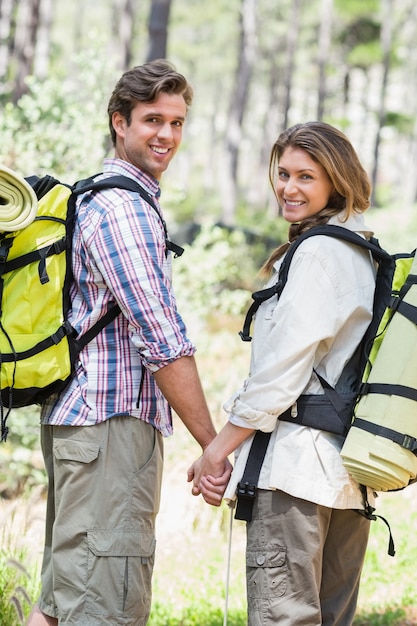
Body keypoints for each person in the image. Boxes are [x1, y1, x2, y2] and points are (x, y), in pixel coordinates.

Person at [27, 59, 231, 626]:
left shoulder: (102, 196)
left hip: (86, 427)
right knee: (105, 607)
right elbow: (162, 339)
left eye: (177, 122)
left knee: (62, 602)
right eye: (152, 120)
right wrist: (212, 445)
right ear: (120, 122)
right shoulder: (124, 209)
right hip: (108, 428)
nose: (167, 135)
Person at [188, 121, 377, 626]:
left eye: (306, 177)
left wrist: (217, 449)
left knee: (285, 618)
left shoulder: (316, 253)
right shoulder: (363, 250)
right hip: (348, 476)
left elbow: (279, 376)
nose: (289, 188)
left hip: (295, 476)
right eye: (284, 173)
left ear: (336, 182)